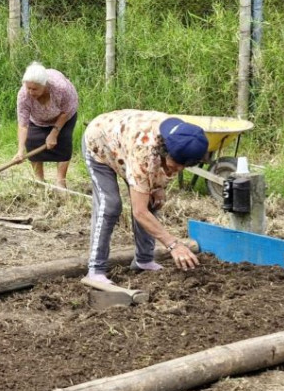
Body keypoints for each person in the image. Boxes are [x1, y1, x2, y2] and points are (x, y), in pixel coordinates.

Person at [82, 110, 209, 285]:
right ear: (165, 152)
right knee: (110, 205)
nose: (180, 169)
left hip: (126, 144)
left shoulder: (183, 136)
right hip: (101, 142)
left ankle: (144, 259)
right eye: (177, 164)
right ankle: (95, 270)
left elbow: (163, 169)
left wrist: (158, 187)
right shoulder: (145, 151)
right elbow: (139, 212)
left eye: (185, 166)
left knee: (152, 201)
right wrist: (173, 244)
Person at [12, 62, 79, 188]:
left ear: (45, 85)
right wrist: (20, 150)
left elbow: (65, 112)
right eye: (28, 88)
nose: (31, 92)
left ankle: (60, 182)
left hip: (64, 115)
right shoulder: (23, 95)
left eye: (35, 89)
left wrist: (54, 133)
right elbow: (23, 125)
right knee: (32, 141)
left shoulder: (60, 88)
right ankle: (39, 181)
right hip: (38, 119)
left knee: (63, 142)